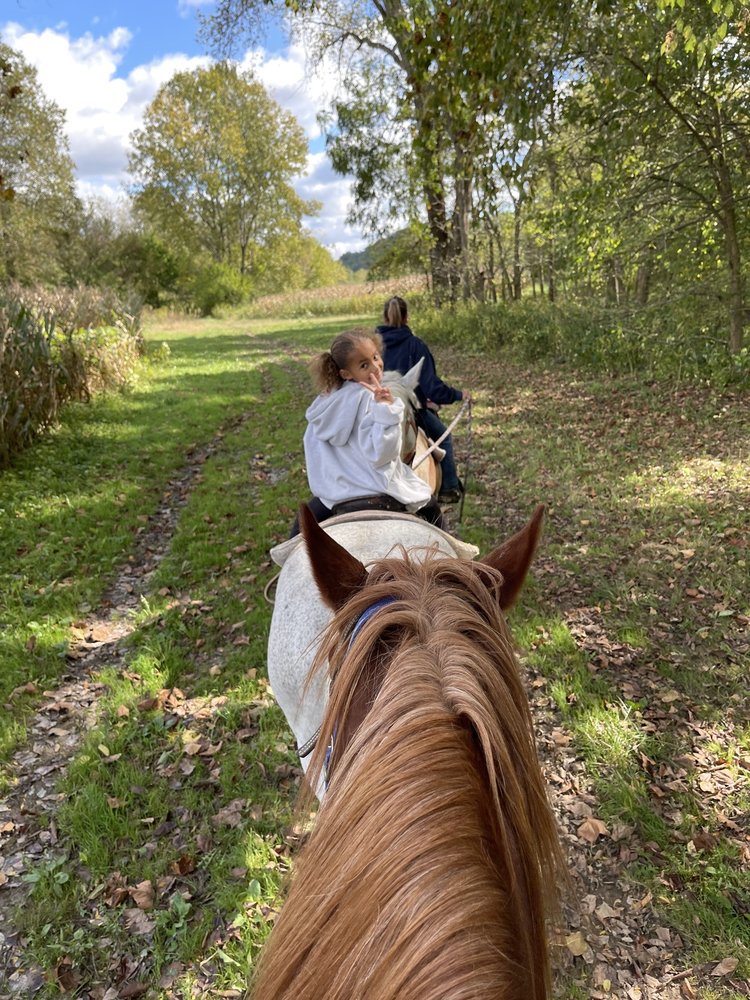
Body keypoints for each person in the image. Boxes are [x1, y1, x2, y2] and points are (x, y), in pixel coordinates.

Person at [290, 327, 444, 536]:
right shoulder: (374, 399)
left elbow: (314, 449)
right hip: (379, 489)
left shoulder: (325, 406)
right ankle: (458, 560)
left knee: (298, 534)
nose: (375, 367)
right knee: (433, 508)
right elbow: (382, 454)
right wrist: (387, 411)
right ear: (345, 373)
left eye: (375, 357)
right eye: (364, 365)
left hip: (335, 494)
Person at [377, 296, 468, 503]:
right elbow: (432, 386)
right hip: (408, 408)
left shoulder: (371, 346)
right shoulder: (415, 345)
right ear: (407, 317)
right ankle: (449, 487)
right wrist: (457, 395)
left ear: (383, 317)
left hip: (374, 407)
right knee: (443, 437)